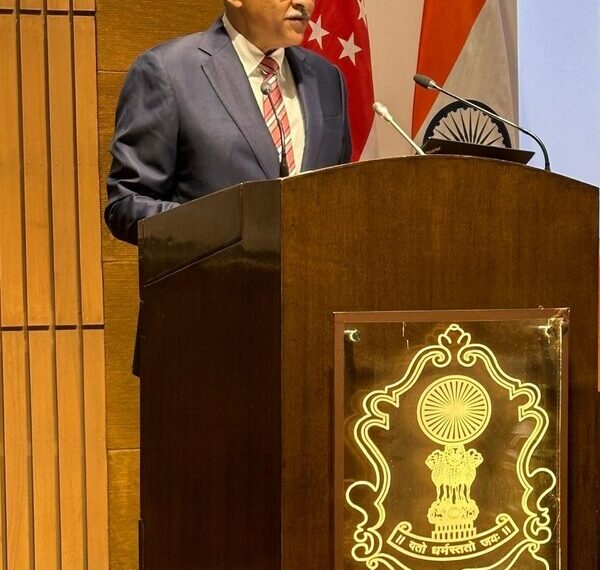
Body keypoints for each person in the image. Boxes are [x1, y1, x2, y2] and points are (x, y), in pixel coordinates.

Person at [105, 0, 352, 245]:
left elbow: (342, 196)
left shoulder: (327, 78)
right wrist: (224, 229)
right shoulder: (168, 71)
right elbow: (127, 204)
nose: (303, 3)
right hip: (214, 279)